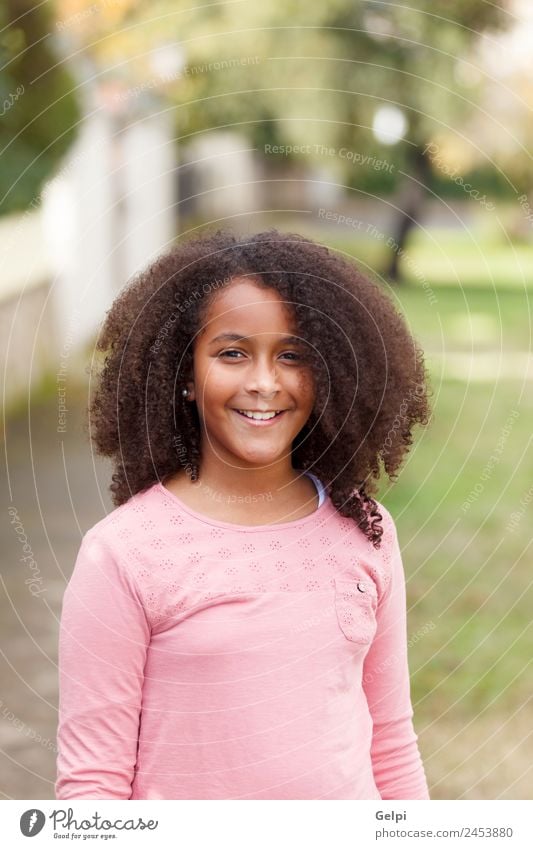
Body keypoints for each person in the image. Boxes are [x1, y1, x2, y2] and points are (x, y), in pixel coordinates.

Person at [55, 228, 432, 800]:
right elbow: (92, 788)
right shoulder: (125, 552)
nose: (263, 382)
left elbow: (392, 746)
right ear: (183, 373)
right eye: (232, 353)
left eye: (291, 356)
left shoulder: (365, 531)